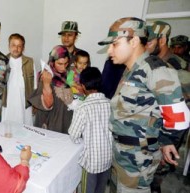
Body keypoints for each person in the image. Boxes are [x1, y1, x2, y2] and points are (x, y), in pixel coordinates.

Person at [98, 17, 190, 193]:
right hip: (122, 152)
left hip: (139, 158)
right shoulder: (131, 70)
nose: (109, 50)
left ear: (133, 41)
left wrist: (166, 141)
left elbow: (179, 117)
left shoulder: (155, 70)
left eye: (115, 44)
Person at [145, 21, 190, 193]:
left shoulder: (177, 68)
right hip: (149, 135)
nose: (146, 45)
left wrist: (168, 144)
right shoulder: (151, 63)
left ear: (161, 40)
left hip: (164, 139)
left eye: (150, 41)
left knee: (154, 182)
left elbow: (181, 115)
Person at [68, 67, 112, 193]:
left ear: (82, 86)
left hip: (91, 163)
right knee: (100, 189)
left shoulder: (83, 108)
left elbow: (73, 134)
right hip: (107, 159)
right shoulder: (110, 103)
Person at [28, 45, 73, 134]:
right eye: (60, 64)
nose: (63, 67)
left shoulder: (70, 75)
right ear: (52, 62)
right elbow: (48, 104)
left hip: (65, 119)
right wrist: (46, 84)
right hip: (50, 121)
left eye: (66, 63)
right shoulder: (45, 76)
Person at [1, 33, 37, 125]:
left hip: (25, 103)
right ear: (9, 46)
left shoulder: (29, 62)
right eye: (13, 45)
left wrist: (34, 104)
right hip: (8, 102)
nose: (16, 49)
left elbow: (35, 85)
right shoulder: (1, 61)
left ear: (23, 48)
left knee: (25, 129)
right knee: (7, 129)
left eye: (19, 46)